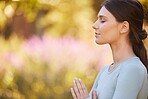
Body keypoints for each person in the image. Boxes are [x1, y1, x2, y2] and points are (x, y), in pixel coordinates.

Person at [70, 0, 148, 99]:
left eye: (102, 20)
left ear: (124, 27)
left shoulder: (133, 69)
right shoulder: (104, 71)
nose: (94, 25)